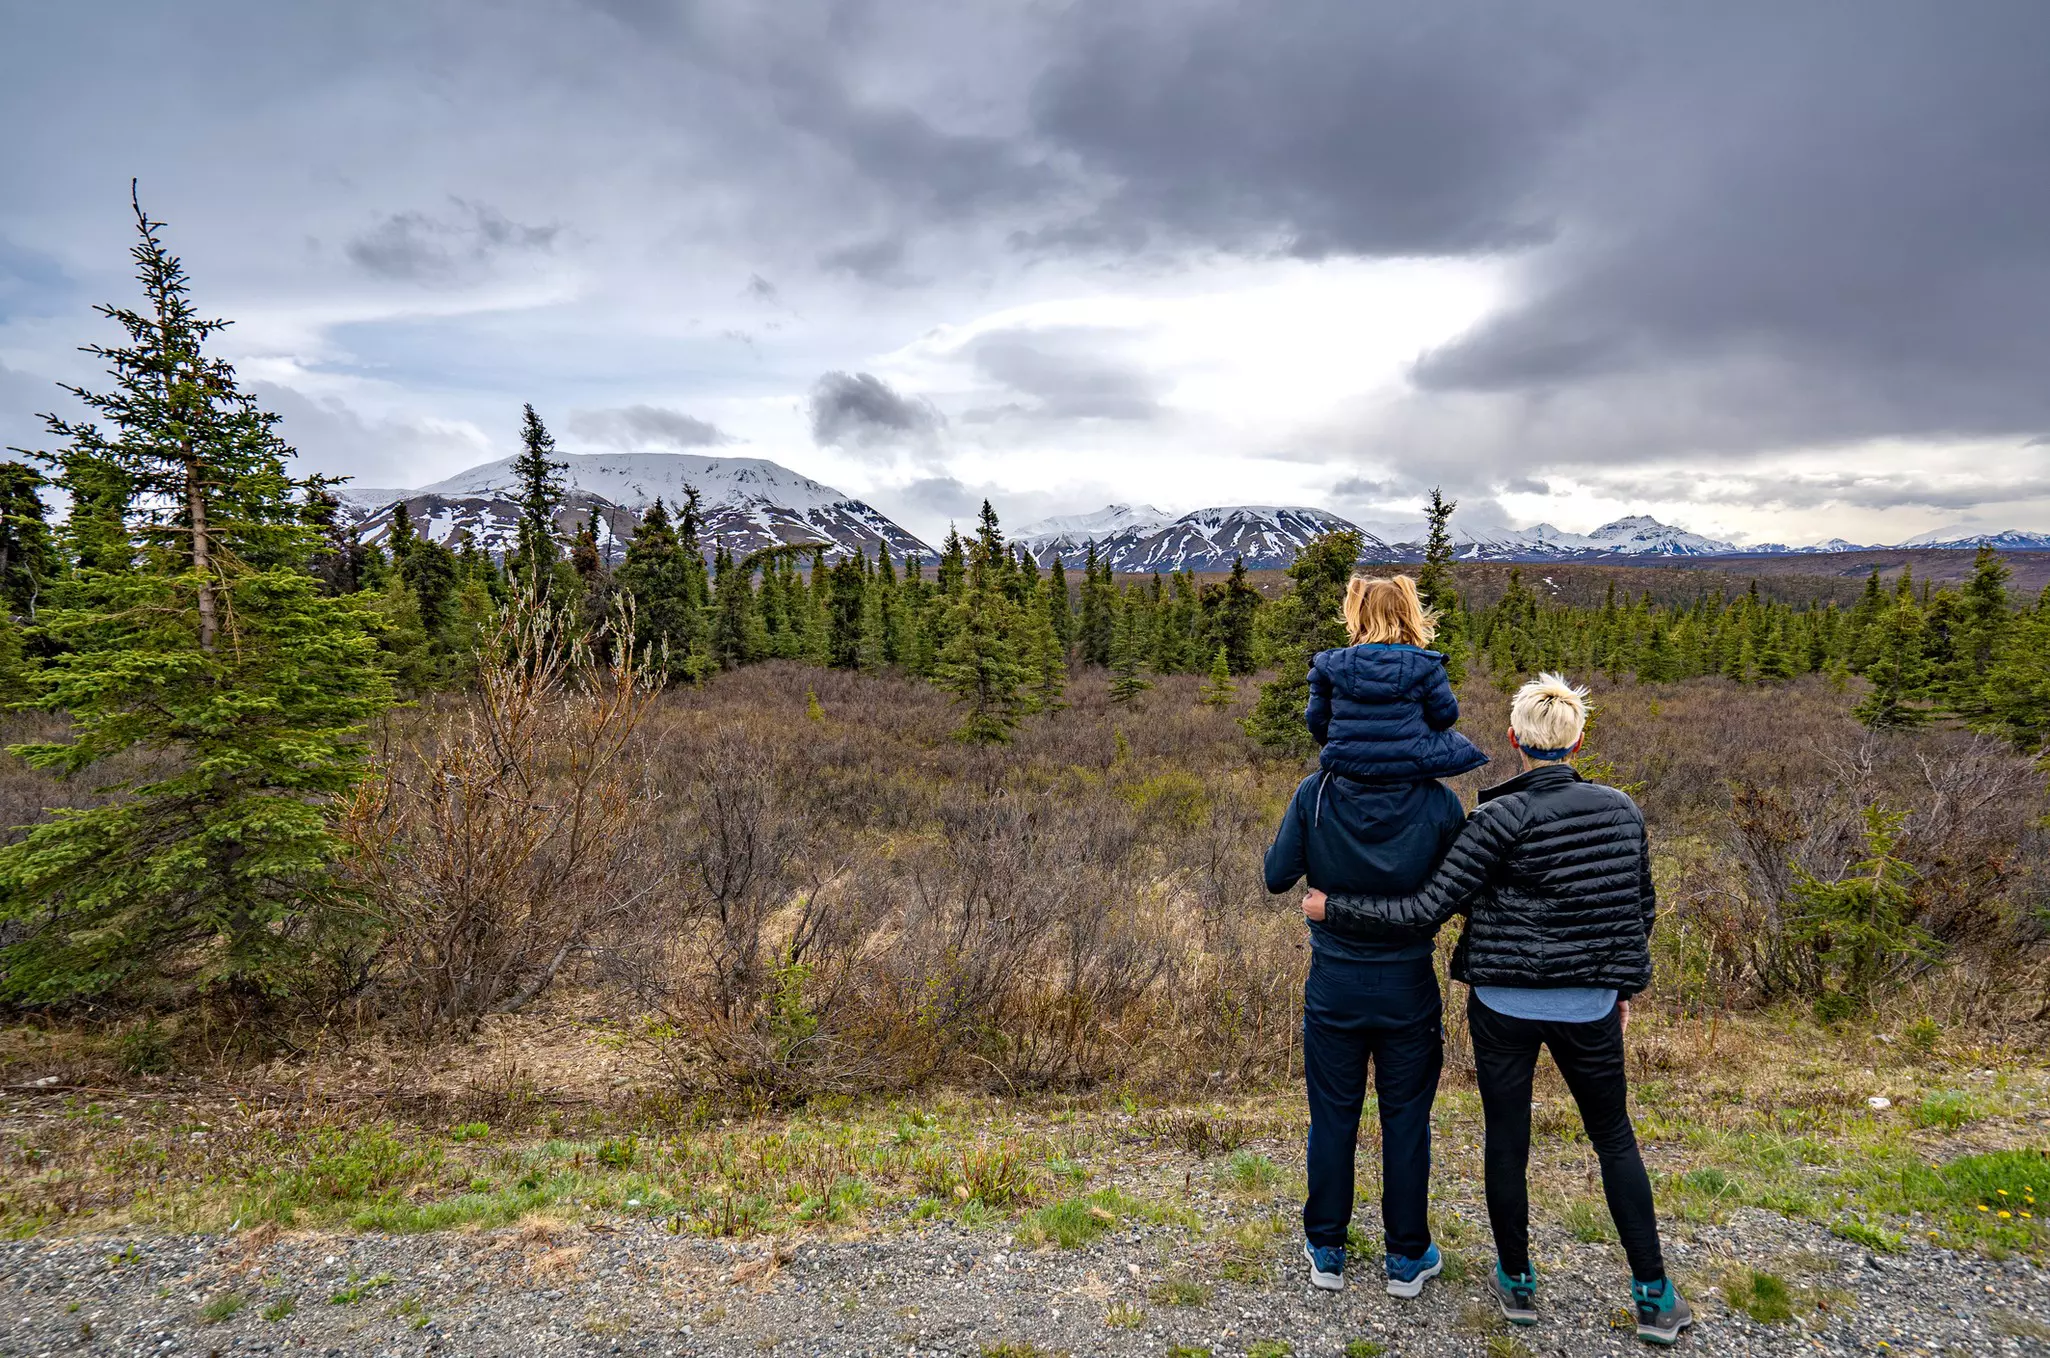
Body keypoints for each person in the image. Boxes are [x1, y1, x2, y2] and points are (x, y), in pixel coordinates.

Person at [1303, 673, 1694, 1347]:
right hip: (1588, 1003)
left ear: (1515, 740)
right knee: (1614, 1138)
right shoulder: (1620, 811)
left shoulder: (1494, 819)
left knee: (1507, 1138)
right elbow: (1640, 909)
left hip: (1503, 1004)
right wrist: (1621, 987)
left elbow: (1428, 908)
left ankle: (1517, 1281)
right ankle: (1654, 1294)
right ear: (1578, 740)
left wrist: (1336, 908)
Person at [1265, 573, 1486, 1297]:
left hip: (1333, 980)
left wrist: (1329, 894)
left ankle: (1326, 1249)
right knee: (1405, 1120)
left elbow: (1276, 876)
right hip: (1406, 984)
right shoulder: (1437, 799)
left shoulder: (1316, 791)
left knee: (1331, 1115)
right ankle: (1405, 1256)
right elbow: (1462, 892)